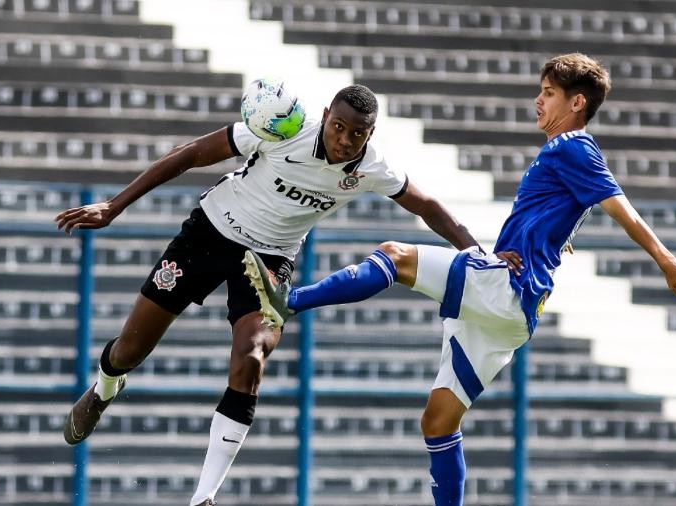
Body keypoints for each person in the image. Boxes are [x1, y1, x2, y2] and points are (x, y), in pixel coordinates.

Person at [243, 53, 676, 506]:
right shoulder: (564, 155)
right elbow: (572, 209)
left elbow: (618, 205)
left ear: (577, 103)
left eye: (549, 93)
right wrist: (554, 238)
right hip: (515, 317)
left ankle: (290, 301)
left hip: (509, 290)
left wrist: (665, 259)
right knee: (439, 422)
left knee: (394, 256)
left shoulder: (572, 145)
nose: (538, 100)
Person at [54, 84, 480, 506]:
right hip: (209, 234)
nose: (345, 140)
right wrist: (114, 206)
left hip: (269, 261)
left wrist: (478, 255)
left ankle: (204, 496)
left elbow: (429, 207)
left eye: (358, 133)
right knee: (130, 349)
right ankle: (105, 388)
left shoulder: (371, 166)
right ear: (326, 113)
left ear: (371, 133)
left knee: (253, 355)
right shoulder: (285, 129)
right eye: (339, 127)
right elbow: (189, 155)